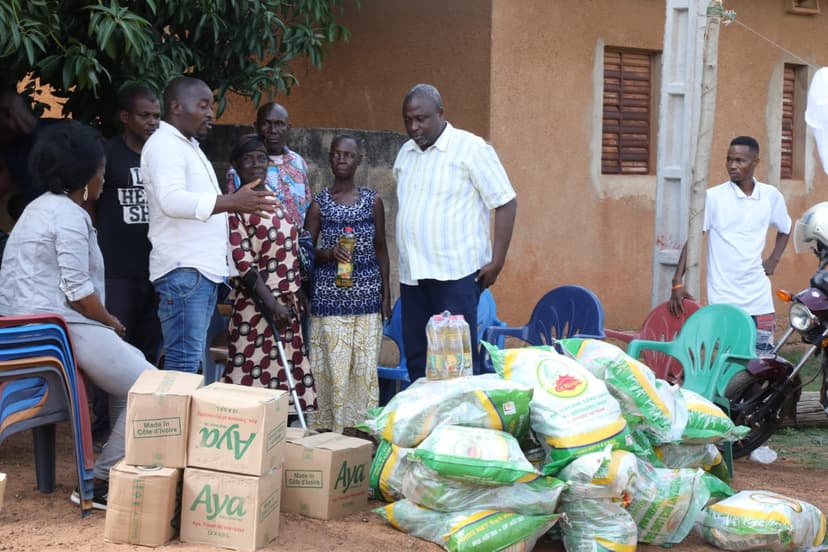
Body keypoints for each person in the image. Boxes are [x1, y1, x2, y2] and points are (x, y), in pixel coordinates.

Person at [0, 120, 156, 510]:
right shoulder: (69, 216)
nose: (104, 180)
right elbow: (80, 294)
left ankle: (113, 468)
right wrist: (110, 321)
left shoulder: (37, 208)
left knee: (133, 367)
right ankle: (102, 480)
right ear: (87, 178)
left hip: (28, 328)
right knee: (153, 387)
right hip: (57, 327)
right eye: (102, 172)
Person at [141, 76, 278, 374]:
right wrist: (232, 202)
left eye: (211, 106)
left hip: (198, 272)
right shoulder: (165, 145)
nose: (210, 114)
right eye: (203, 106)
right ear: (176, 107)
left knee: (193, 362)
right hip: (184, 271)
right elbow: (171, 200)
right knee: (184, 363)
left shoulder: (187, 146)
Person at [393, 83, 517, 381]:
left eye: (421, 119)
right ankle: (423, 411)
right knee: (418, 359)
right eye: (408, 120)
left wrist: (497, 261)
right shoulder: (406, 153)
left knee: (456, 364)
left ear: (440, 113)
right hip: (413, 275)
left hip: (455, 275)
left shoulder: (471, 149)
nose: (413, 127)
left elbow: (505, 201)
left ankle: (460, 412)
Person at [669, 136, 791, 354]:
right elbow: (694, 238)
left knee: (762, 361)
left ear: (755, 162)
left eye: (740, 161)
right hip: (724, 299)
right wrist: (677, 280)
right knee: (729, 362)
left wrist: (773, 260)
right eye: (729, 159)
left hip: (760, 299)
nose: (732, 166)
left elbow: (785, 228)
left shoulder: (770, 196)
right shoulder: (714, 197)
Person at [222, 135, 317, 413]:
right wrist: (272, 304)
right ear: (235, 166)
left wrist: (298, 292)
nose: (256, 164)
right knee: (250, 386)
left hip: (287, 307)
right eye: (248, 159)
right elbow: (243, 265)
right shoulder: (234, 209)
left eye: (261, 158)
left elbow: (289, 249)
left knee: (284, 388)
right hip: (257, 308)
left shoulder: (275, 200)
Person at [304, 134, 390, 433]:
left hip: (367, 299)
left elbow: (381, 249)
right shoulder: (320, 204)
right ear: (330, 158)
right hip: (330, 300)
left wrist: (386, 294)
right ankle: (330, 433)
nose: (342, 159)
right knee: (333, 371)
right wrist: (329, 253)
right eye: (337, 154)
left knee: (363, 372)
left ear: (358, 160)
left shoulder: (372, 201)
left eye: (348, 155)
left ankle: (360, 432)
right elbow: (305, 251)